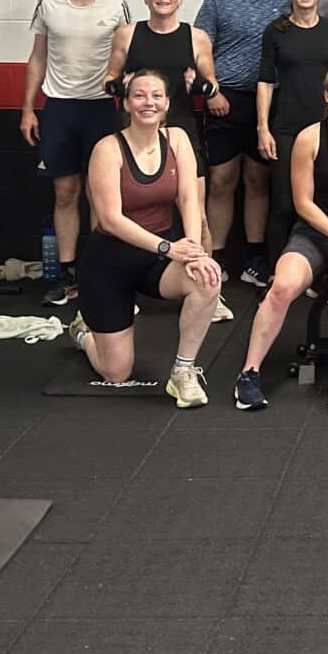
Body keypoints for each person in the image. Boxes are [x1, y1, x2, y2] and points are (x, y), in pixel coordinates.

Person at [233, 66, 328, 414]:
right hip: (317, 230)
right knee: (283, 286)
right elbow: (303, 202)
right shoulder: (309, 137)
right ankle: (249, 373)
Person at [67, 71, 224, 407]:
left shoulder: (178, 139)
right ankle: (83, 332)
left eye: (156, 96)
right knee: (116, 373)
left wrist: (194, 251)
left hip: (156, 260)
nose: (148, 103)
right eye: (139, 96)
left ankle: (183, 372)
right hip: (110, 263)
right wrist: (169, 248)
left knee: (207, 279)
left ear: (167, 104)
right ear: (126, 103)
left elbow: (188, 200)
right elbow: (110, 218)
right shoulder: (107, 150)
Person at [20, 0, 133, 306]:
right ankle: (67, 274)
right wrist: (27, 108)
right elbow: (37, 58)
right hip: (60, 108)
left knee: (100, 195)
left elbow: (128, 59)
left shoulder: (117, 7)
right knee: (65, 192)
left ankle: (101, 271)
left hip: (102, 107)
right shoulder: (48, 5)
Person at [193, 0, 287, 291]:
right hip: (225, 100)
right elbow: (200, 48)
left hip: (269, 102)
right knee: (220, 182)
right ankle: (215, 258)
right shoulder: (219, 1)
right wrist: (212, 90)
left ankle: (254, 257)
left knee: (258, 180)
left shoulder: (286, 0)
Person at [257, 0, 328, 269]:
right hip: (286, 128)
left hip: (326, 129)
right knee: (284, 204)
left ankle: (318, 271)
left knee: (321, 204)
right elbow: (265, 81)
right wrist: (263, 129)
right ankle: (274, 273)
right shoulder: (275, 31)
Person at [103, 0, 218, 189]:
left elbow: (213, 84)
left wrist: (199, 86)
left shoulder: (197, 37)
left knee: (195, 203)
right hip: (134, 126)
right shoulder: (127, 34)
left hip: (180, 126)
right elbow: (108, 77)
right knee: (134, 199)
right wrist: (118, 87)